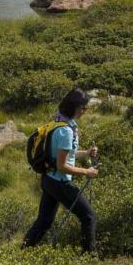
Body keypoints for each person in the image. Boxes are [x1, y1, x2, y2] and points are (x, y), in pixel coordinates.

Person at [23, 88, 99, 253]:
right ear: (74, 107)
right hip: (60, 182)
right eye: (83, 108)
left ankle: (23, 251)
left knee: (44, 221)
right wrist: (87, 172)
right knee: (89, 217)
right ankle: (89, 258)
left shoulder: (58, 122)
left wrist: (85, 153)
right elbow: (62, 166)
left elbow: (65, 155)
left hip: (48, 180)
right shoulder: (65, 131)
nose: (84, 111)